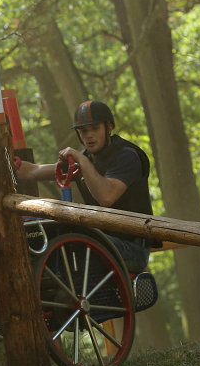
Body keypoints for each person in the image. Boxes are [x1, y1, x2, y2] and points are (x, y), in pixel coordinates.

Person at [15, 100, 155, 273]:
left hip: (132, 248)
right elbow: (34, 171)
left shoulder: (127, 156)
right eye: (83, 131)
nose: (89, 135)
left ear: (109, 128)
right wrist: (9, 164)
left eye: (95, 128)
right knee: (50, 238)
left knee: (77, 242)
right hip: (99, 240)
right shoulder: (85, 159)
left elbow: (106, 196)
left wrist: (82, 161)